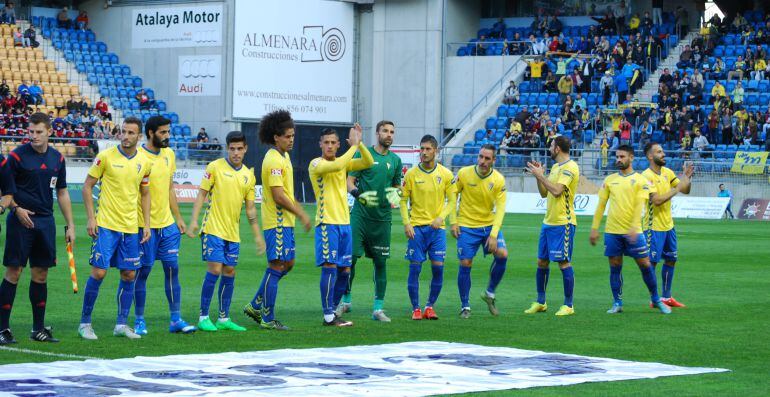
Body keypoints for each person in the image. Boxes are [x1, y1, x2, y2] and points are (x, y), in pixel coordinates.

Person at [0, 113, 71, 344]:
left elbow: (61, 192)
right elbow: (6, 191)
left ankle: (38, 329)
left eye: (39, 132)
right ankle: (2, 329)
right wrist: (16, 209)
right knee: (14, 273)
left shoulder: (57, 159)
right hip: (20, 220)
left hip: (45, 222)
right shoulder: (16, 157)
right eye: (30, 131)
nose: (34, 136)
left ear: (49, 131)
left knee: (40, 275)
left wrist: (70, 224)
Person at [79, 117, 152, 340]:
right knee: (99, 272)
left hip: (130, 228)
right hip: (106, 225)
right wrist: (92, 219)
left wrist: (146, 224)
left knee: (129, 274)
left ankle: (121, 324)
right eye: (123, 132)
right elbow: (87, 186)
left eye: (131, 133)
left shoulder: (144, 162)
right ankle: (85, 323)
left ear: (139, 136)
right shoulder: (106, 157)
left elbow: (145, 193)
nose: (126, 136)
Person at [186, 131, 265, 333]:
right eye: (232, 148)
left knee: (229, 271)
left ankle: (223, 318)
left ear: (245, 149)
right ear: (227, 148)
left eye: (240, 149)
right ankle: (203, 316)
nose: (236, 153)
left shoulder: (248, 175)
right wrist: (194, 220)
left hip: (233, 233)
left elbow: (250, 209)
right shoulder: (215, 167)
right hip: (212, 228)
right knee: (214, 270)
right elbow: (201, 194)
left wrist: (257, 236)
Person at [243, 110, 311, 331]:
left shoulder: (284, 156)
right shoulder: (272, 159)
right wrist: (301, 212)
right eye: (287, 136)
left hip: (286, 222)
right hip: (278, 221)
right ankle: (267, 317)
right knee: (277, 265)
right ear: (276, 137)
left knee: (288, 264)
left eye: (293, 135)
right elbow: (278, 195)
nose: (291, 140)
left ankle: (255, 304)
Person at [131, 116, 196, 335]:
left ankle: (175, 319)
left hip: (167, 225)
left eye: (168, 132)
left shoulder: (169, 154)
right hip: (143, 225)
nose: (167, 136)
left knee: (172, 269)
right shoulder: (137, 156)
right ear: (150, 133)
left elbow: (169, 188)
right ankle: (139, 320)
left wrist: (178, 218)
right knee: (143, 272)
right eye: (163, 133)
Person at [589, 145, 671, 315]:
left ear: (631, 158)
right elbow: (601, 206)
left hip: (634, 232)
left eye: (622, 156)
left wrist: (634, 226)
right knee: (615, 266)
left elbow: (639, 205)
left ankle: (655, 299)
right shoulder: (609, 180)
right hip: (612, 232)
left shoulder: (641, 180)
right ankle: (617, 302)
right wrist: (594, 228)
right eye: (617, 157)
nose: (618, 160)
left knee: (645, 265)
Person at [338, 120, 402, 322]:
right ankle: (346, 301)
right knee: (351, 259)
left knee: (381, 262)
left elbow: (396, 187)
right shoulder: (364, 155)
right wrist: (359, 195)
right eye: (385, 131)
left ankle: (378, 309)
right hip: (360, 215)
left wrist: (395, 196)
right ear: (377, 133)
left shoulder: (396, 160)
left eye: (392, 131)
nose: (389, 134)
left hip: (382, 219)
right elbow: (349, 182)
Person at [309, 125, 373, 327]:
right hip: (327, 223)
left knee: (345, 270)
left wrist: (359, 143)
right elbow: (337, 166)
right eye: (325, 142)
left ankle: (333, 312)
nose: (329, 146)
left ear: (338, 145)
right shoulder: (316, 164)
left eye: (333, 142)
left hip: (345, 224)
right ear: (320, 144)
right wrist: (353, 146)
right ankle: (328, 314)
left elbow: (368, 162)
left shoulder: (342, 162)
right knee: (330, 267)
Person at [401, 135, 456, 320]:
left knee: (438, 269)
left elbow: (452, 201)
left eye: (427, 149)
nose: (423, 153)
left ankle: (429, 307)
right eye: (421, 149)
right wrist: (407, 223)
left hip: (437, 231)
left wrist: (441, 218)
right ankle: (415, 308)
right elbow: (402, 201)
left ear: (436, 151)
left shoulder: (446, 174)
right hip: (416, 229)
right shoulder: (410, 174)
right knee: (415, 269)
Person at [523, 136, 579, 316]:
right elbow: (544, 193)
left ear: (558, 149)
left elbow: (556, 191)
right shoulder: (556, 167)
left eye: (551, 145)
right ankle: (541, 302)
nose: (549, 148)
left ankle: (569, 305)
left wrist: (541, 176)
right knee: (542, 262)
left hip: (564, 222)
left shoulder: (570, 167)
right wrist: (539, 178)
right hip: (548, 222)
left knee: (563, 262)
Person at [452, 145, 507, 318]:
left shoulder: (498, 180)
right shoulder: (464, 173)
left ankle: (489, 293)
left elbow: (501, 209)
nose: (482, 161)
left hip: (489, 226)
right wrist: (453, 222)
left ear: (494, 160)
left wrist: (493, 234)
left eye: (487, 158)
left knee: (503, 255)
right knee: (466, 263)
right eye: (480, 157)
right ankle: (465, 306)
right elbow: (452, 196)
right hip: (467, 226)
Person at [642, 143, 693, 309]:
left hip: (668, 225)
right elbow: (656, 200)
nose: (663, 154)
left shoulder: (668, 172)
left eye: (663, 151)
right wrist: (678, 187)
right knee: (652, 263)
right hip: (653, 227)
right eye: (659, 152)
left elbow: (686, 190)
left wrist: (686, 178)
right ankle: (654, 298)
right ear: (650, 156)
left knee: (671, 260)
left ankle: (666, 297)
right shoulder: (646, 176)